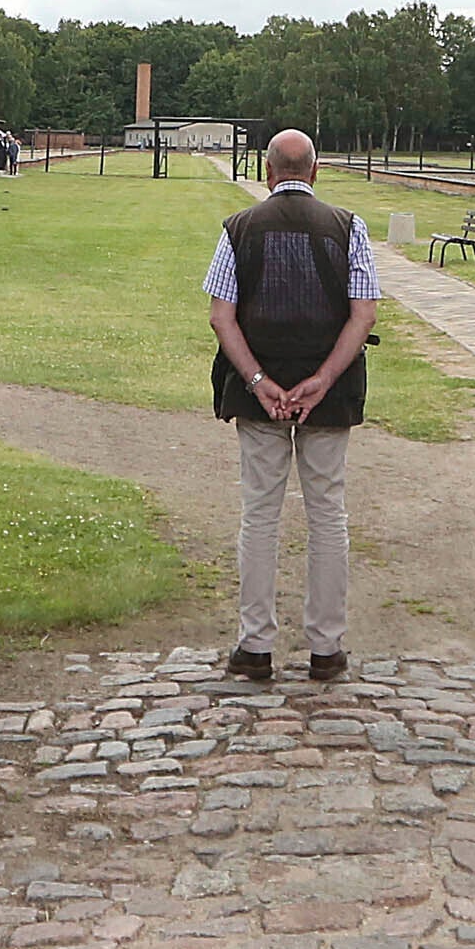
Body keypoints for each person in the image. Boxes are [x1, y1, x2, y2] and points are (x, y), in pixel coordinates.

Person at [203, 127, 378, 683]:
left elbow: (221, 316)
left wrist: (257, 380)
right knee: (328, 515)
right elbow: (363, 315)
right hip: (328, 394)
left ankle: (255, 646)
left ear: (268, 172)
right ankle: (326, 648)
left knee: (260, 514)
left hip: (260, 394)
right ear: (315, 172)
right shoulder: (349, 228)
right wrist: (324, 380)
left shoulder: (238, 229)